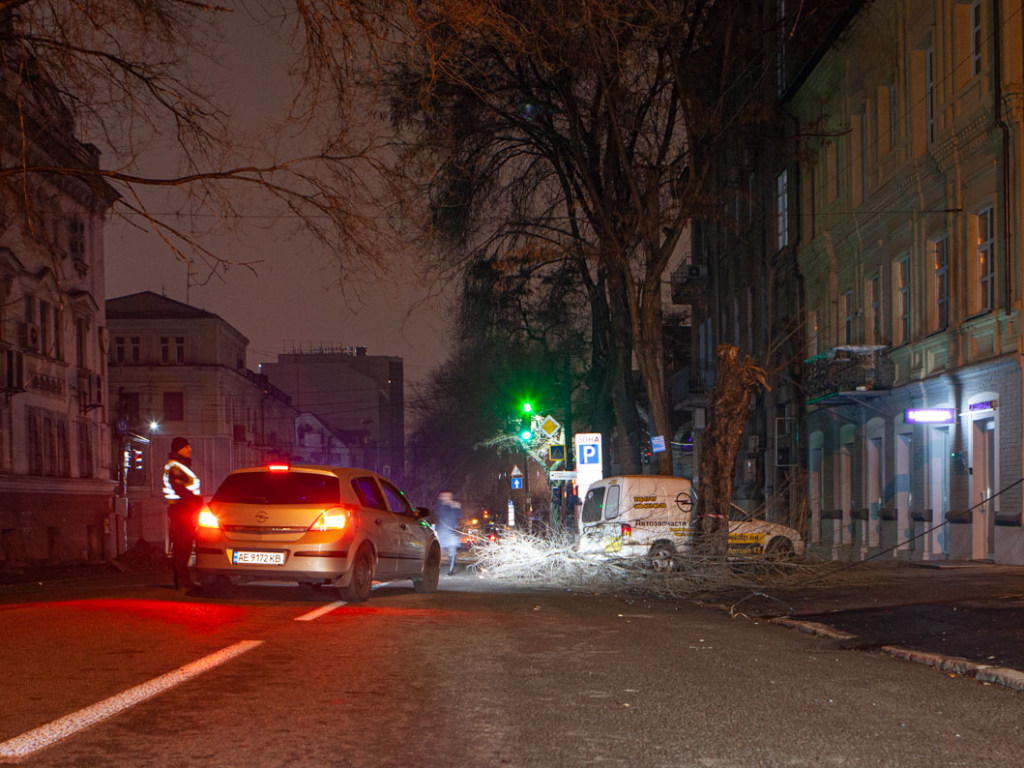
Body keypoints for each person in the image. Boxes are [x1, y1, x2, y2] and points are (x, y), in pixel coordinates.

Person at [162, 436, 202, 590]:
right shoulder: (175, 467)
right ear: (179, 449)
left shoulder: (180, 465)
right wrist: (194, 501)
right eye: (187, 447)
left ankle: (182, 579)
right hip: (181, 509)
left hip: (185, 508)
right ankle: (182, 580)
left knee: (184, 546)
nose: (190, 450)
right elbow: (180, 488)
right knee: (182, 546)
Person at [434, 491, 463, 576]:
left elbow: (458, 516)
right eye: (444, 496)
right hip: (442, 532)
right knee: (438, 551)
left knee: (452, 550)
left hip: (451, 532)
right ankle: (434, 568)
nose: (447, 498)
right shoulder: (440, 506)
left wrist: (456, 507)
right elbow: (440, 513)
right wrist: (451, 505)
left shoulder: (454, 506)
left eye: (448, 496)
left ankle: (451, 570)